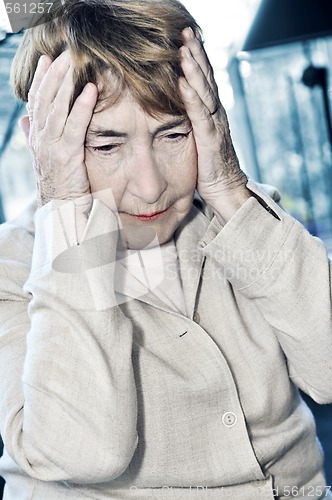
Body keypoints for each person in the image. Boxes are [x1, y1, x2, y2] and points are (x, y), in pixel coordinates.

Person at [0, 0, 331, 498]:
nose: (151, 186)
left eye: (173, 134)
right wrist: (66, 206)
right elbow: (86, 452)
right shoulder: (12, 267)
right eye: (106, 146)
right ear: (43, 143)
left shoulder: (242, 221)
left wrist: (226, 184)